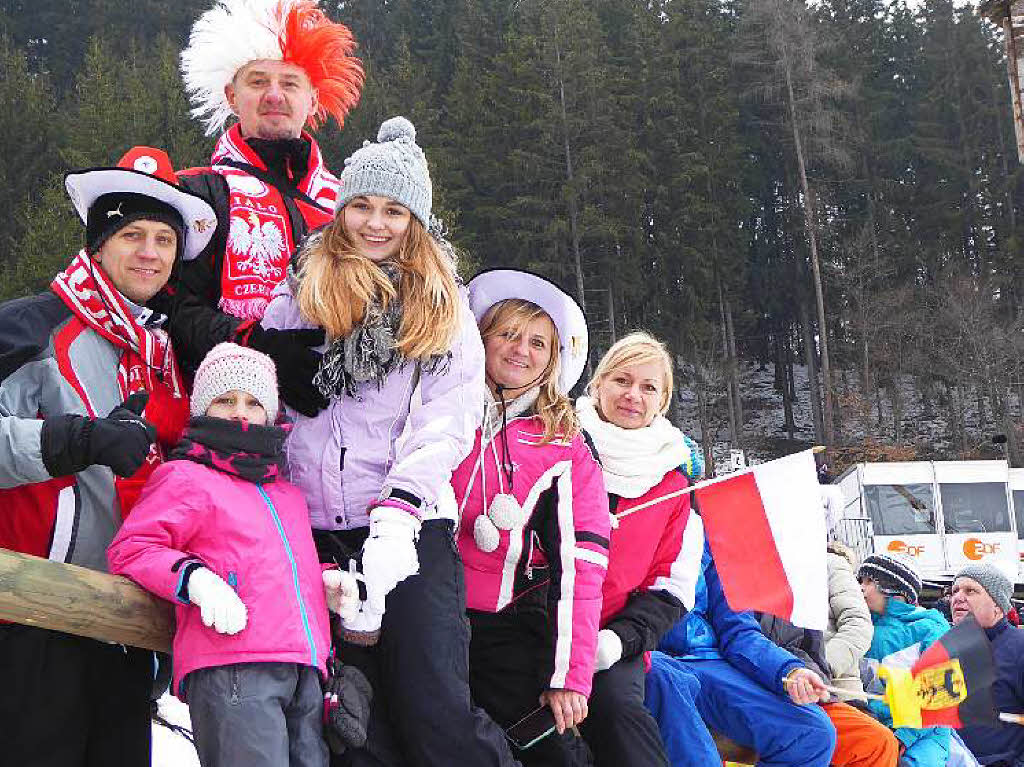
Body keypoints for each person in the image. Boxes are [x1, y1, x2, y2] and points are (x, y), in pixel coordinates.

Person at [263, 116, 518, 767]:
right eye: (363, 207)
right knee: (354, 724)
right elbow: (264, 398)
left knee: (436, 714)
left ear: (418, 220)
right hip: (318, 535)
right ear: (343, 209)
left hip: (409, 531)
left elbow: (446, 417)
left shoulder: (442, 307)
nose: (376, 224)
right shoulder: (299, 294)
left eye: (395, 211)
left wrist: (399, 512)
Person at [0, 146, 216, 766]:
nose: (150, 253)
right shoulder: (30, 328)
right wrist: (74, 438)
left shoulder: (167, 353)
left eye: (163, 240)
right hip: (34, 615)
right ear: (97, 245)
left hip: (127, 622)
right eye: (131, 235)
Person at [109, 342, 343, 767]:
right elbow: (133, 548)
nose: (241, 413)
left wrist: (324, 581)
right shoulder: (184, 476)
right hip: (234, 664)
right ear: (202, 408)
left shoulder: (287, 493)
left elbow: (275, 566)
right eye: (226, 400)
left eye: (254, 403)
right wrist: (196, 581)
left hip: (304, 666)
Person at [167, 0, 365, 416]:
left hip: (342, 421)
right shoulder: (195, 191)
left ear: (313, 100)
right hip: (231, 418)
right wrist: (260, 347)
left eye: (290, 84)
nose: (274, 95)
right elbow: (174, 309)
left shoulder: (351, 203)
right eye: (258, 81)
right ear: (231, 95)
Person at [454, 268, 609, 766]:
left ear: (552, 361)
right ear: (481, 338)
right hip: (426, 617)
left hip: (508, 628)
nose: (521, 349)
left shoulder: (563, 445)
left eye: (538, 342)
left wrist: (568, 676)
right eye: (508, 333)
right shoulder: (438, 408)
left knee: (551, 752)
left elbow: (581, 566)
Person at [571, 331, 702, 767]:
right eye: (622, 381)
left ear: (661, 401)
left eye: (649, 388)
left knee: (619, 715)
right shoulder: (560, 447)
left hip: (614, 638)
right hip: (537, 626)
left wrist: (613, 642)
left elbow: (671, 588)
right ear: (598, 385)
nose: (633, 395)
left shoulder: (673, 485)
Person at [644, 550, 838, 765]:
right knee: (664, 678)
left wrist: (790, 670)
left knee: (813, 734)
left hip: (708, 662)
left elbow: (740, 631)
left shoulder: (706, 541)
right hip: (648, 653)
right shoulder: (627, 527)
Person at [758, 612, 900, 767]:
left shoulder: (809, 598)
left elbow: (817, 651)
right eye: (865, 584)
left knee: (879, 742)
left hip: (816, 688)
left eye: (868, 585)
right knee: (819, 733)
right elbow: (741, 638)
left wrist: (816, 675)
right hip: (760, 685)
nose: (864, 588)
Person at [857, 554, 951, 767]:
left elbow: (940, 698)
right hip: (873, 728)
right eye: (860, 582)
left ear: (892, 587)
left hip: (924, 736)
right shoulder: (860, 629)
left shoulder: (931, 629)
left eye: (869, 581)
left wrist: (903, 738)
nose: (861, 588)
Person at [949, 563, 1024, 766]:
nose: (958, 597)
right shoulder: (946, 650)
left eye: (970, 591)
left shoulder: (1019, 648)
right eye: (954, 591)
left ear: (998, 605)